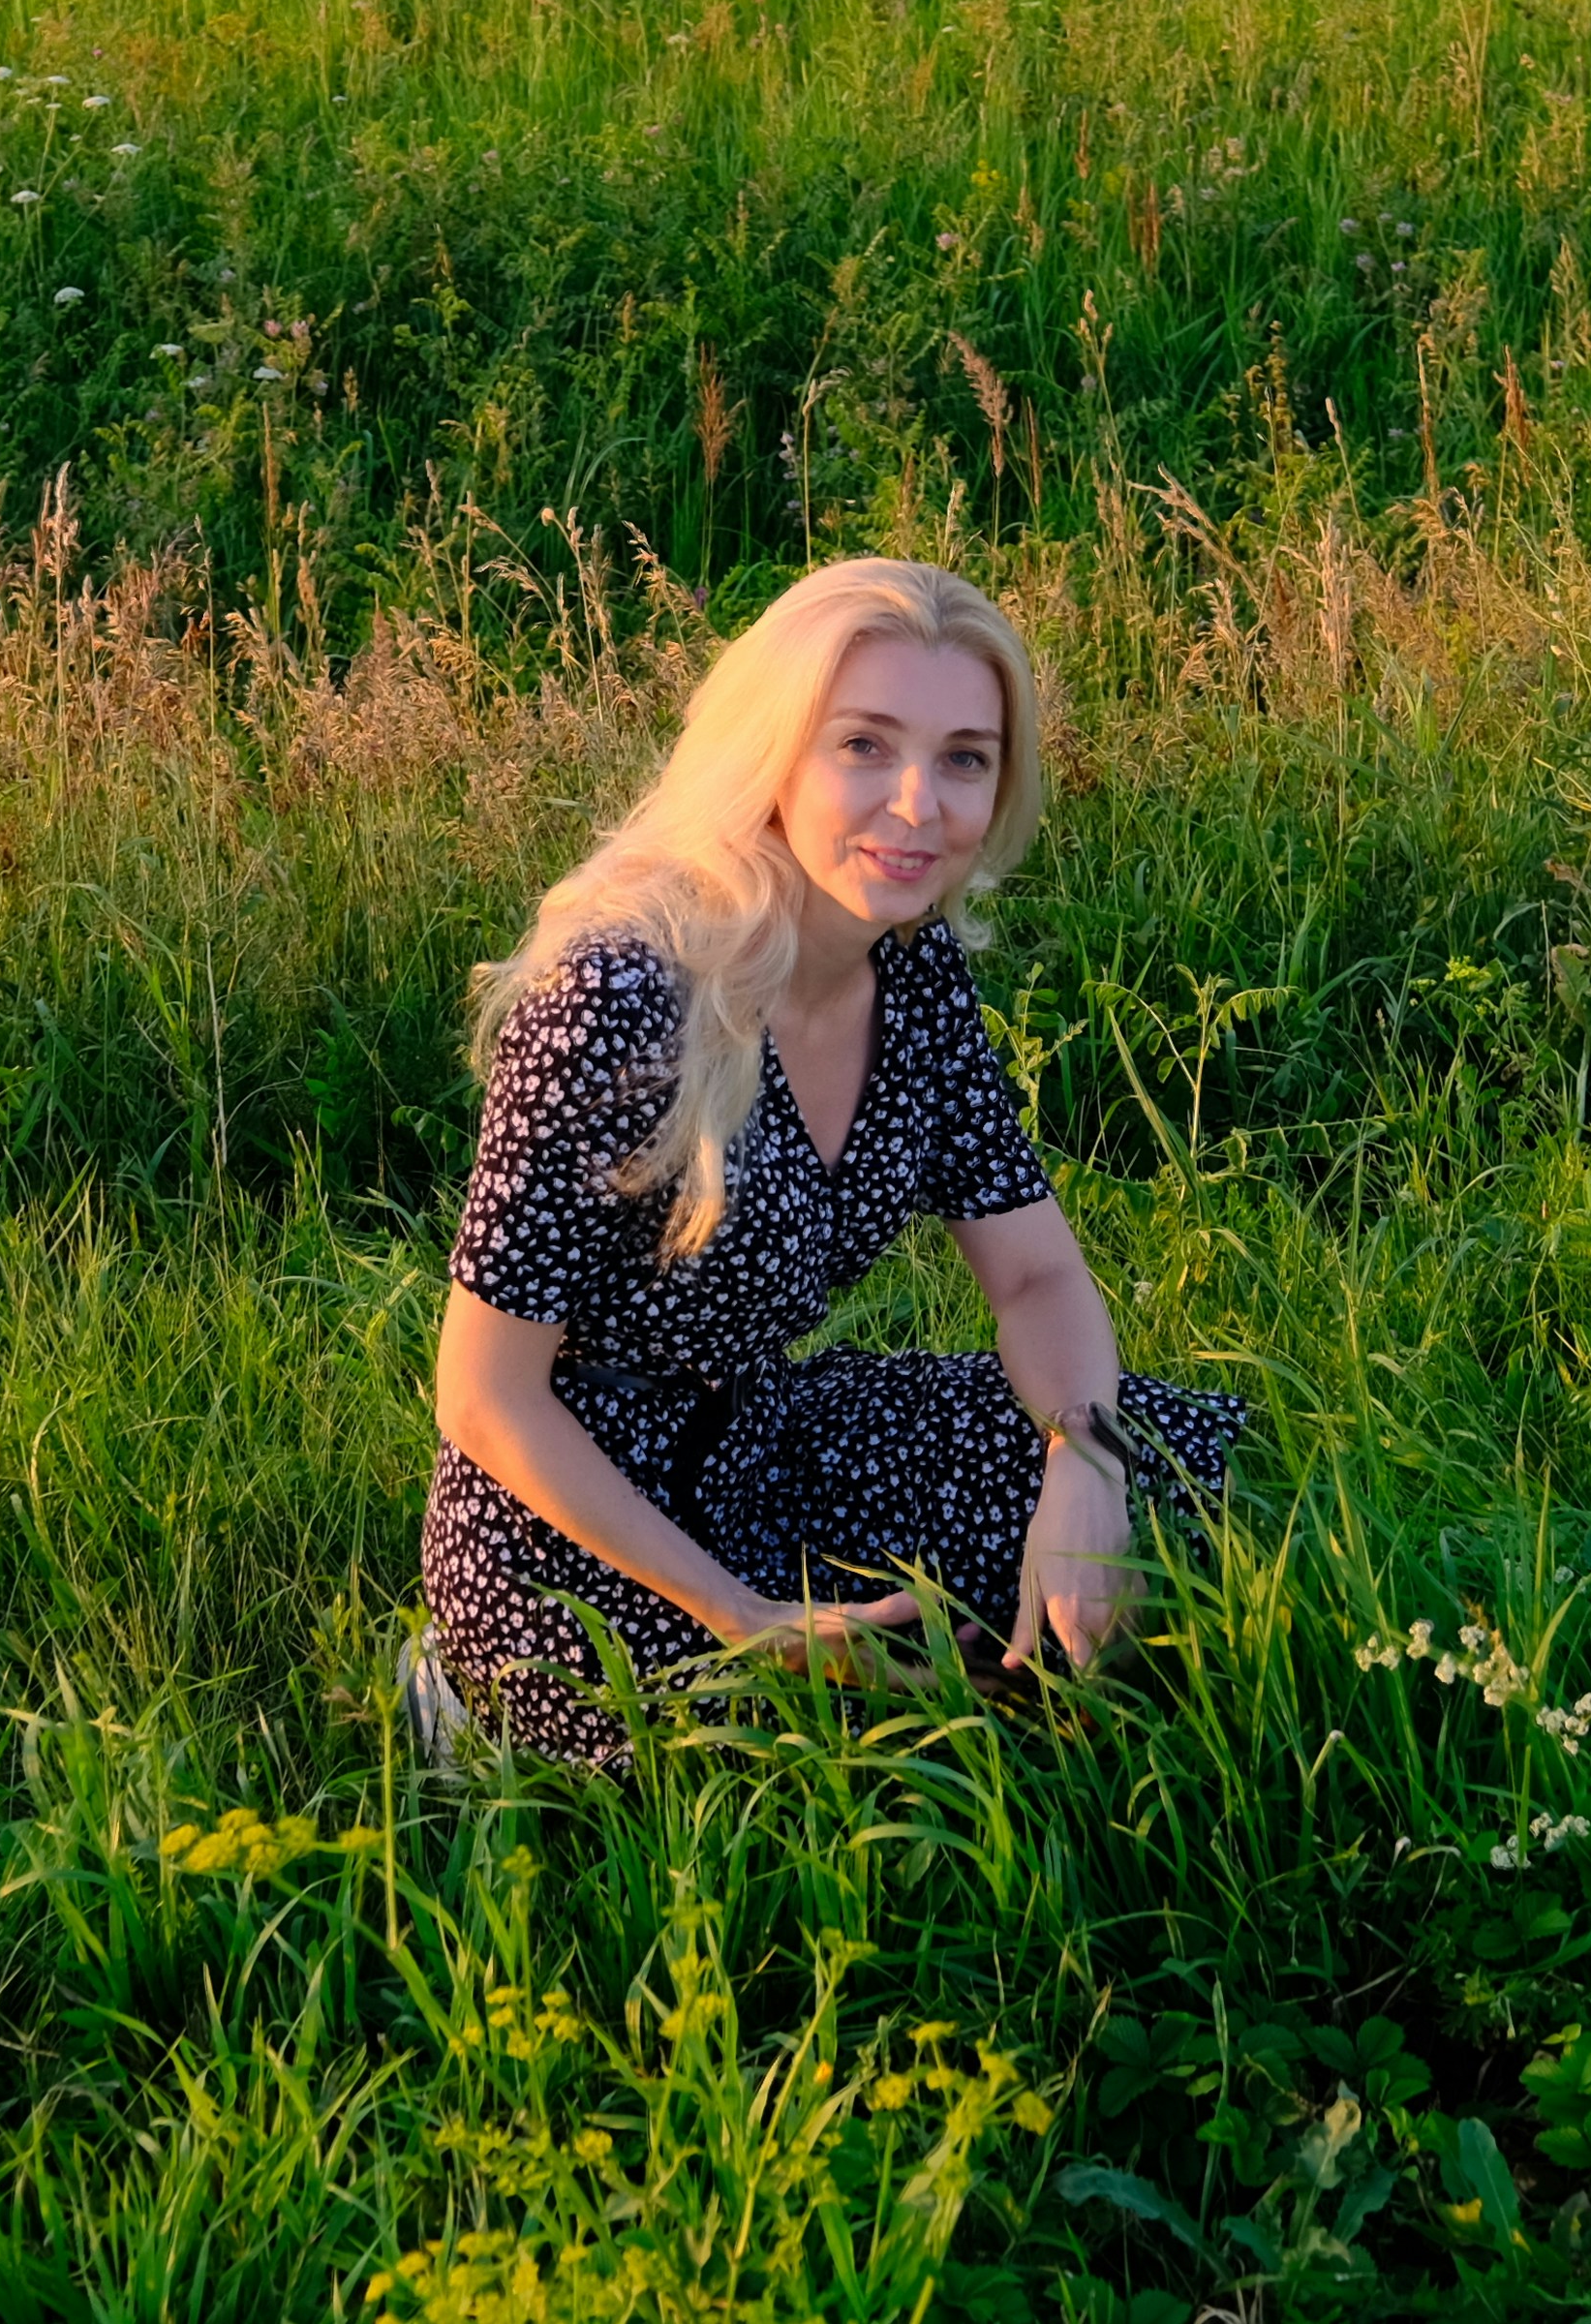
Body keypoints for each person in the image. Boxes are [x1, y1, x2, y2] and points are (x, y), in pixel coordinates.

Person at [418, 556, 1248, 1770]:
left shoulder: (914, 977)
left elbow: (1034, 1279)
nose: (919, 803)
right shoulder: (617, 998)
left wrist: (1085, 1457)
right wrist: (742, 1617)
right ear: (776, 752)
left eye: (964, 756)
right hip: (566, 1528)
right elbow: (487, 1396)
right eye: (865, 743)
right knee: (859, 1753)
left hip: (769, 1435)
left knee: (1177, 1473)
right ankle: (455, 1697)